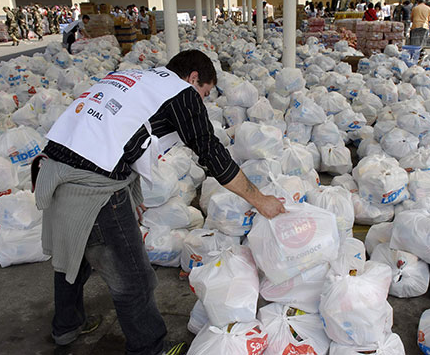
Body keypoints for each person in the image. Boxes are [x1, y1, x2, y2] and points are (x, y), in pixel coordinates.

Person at [32, 49, 285, 355]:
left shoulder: (140, 80)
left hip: (53, 170)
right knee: (134, 278)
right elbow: (210, 151)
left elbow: (120, 136)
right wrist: (260, 200)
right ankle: (149, 349)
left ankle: (67, 327)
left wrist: (128, 190)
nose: (201, 101)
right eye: (203, 93)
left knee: (72, 253)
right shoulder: (179, 92)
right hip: (91, 188)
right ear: (193, 79)